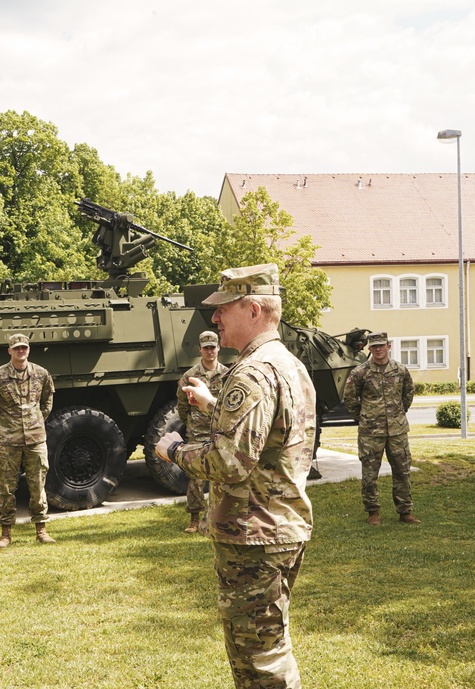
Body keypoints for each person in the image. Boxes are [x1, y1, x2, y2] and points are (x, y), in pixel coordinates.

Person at [155, 263, 315, 689]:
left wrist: (173, 449)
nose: (215, 318)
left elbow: (229, 462)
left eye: (225, 307)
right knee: (265, 647)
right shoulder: (288, 365)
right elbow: (271, 436)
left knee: (260, 659)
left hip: (253, 532)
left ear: (254, 309)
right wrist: (212, 404)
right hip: (280, 524)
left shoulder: (250, 373)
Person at [0, 333, 56, 547]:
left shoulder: (41, 374)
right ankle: (5, 534)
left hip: (35, 439)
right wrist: (6, 427)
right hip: (8, 441)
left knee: (38, 486)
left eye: (24, 348)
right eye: (16, 348)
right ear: (10, 351)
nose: (20, 351)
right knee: (7, 488)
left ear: (28, 350)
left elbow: (47, 402)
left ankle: (41, 530)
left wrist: (36, 422)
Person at [342, 331, 421, 526]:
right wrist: (364, 417)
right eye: (374, 346)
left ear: (389, 346)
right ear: (369, 349)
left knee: (402, 471)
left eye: (381, 345)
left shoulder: (400, 371)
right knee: (370, 473)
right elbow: (350, 399)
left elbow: (408, 394)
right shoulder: (360, 372)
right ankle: (373, 511)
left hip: (397, 431)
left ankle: (405, 512)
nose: (378, 349)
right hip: (371, 432)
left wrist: (399, 413)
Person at [175, 329, 228, 534]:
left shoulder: (227, 374)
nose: (210, 351)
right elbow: (182, 405)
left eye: (212, 347)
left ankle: (218, 517)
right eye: (206, 348)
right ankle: (195, 519)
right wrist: (189, 422)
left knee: (221, 475)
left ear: (218, 348)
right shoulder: (190, 376)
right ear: (200, 350)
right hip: (197, 432)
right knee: (196, 477)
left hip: (219, 430)